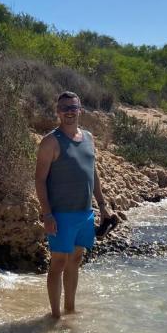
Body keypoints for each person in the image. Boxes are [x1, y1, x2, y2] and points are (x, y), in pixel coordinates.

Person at [34, 91, 112, 318]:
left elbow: (93, 172)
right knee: (57, 262)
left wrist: (103, 204)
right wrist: (47, 215)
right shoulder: (50, 141)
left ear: (80, 110)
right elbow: (39, 179)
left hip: (85, 213)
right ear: (58, 112)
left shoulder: (88, 137)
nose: (69, 111)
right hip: (61, 214)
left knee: (76, 260)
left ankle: (70, 308)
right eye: (65, 108)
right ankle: (55, 315)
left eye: (73, 107)